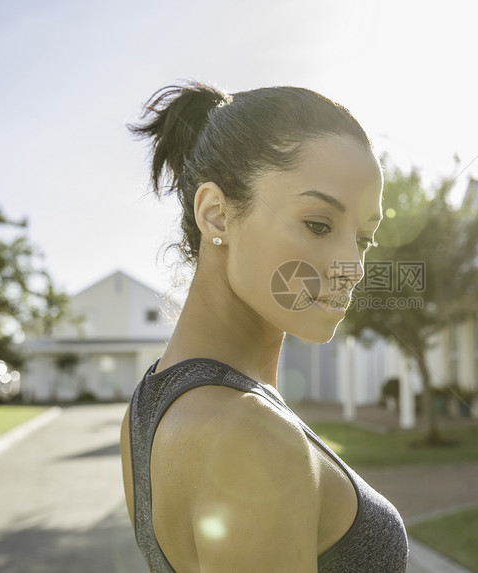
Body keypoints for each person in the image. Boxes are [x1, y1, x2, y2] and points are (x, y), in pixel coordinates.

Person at [119, 82, 409, 573]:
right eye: (319, 225)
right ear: (218, 215)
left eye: (363, 239)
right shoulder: (253, 437)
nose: (351, 267)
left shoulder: (147, 408)